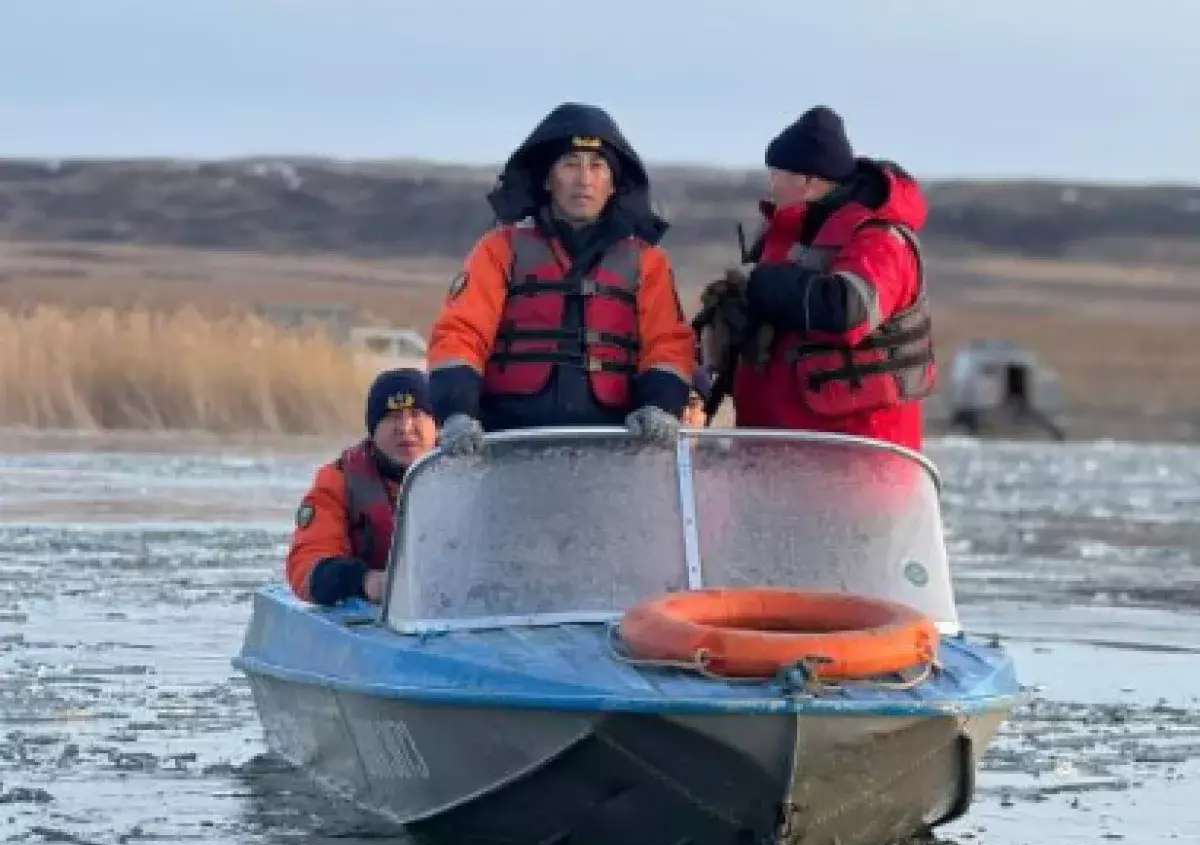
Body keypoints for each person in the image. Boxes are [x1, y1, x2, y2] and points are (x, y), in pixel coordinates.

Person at [426, 102, 696, 456]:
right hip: (509, 447)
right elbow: (460, 333)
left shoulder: (647, 262)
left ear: (613, 183)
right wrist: (457, 413)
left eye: (597, 166)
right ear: (547, 178)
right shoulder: (500, 250)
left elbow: (668, 344)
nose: (584, 179)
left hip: (612, 451)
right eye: (570, 164)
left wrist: (661, 406)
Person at [702, 106, 936, 452]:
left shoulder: (880, 239)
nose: (771, 184)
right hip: (775, 460)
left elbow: (848, 309)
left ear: (809, 182)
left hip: (860, 468)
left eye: (777, 174)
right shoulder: (779, 236)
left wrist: (760, 284)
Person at [286, 368, 437, 606]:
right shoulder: (337, 483)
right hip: (376, 615)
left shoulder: (470, 475)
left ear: (436, 424)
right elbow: (306, 567)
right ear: (373, 430)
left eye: (416, 413)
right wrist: (364, 581)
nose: (405, 427)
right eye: (392, 416)